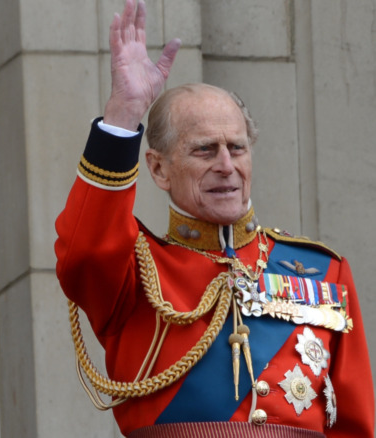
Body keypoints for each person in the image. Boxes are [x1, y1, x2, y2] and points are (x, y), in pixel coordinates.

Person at [54, 0, 374, 436]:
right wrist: (124, 114)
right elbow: (85, 251)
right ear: (159, 168)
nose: (226, 165)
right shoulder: (134, 272)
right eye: (204, 150)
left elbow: (355, 424)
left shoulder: (323, 272)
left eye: (236, 148)